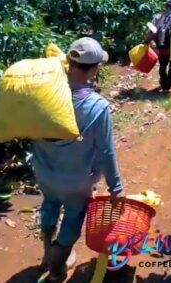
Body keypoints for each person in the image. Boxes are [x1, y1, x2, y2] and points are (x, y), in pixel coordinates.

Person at [30, 37, 125, 282]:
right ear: (94, 69)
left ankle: (46, 253)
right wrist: (116, 188)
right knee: (73, 215)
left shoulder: (42, 96)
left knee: (49, 204)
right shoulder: (96, 107)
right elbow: (106, 152)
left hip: (44, 173)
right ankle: (57, 265)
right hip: (76, 182)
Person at [147, 0, 171, 92]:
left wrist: (146, 42)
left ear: (165, 6)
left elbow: (152, 32)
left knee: (162, 66)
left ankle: (163, 83)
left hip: (163, 48)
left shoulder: (158, 17)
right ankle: (167, 85)